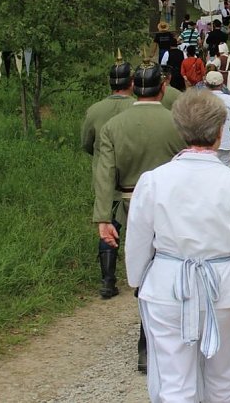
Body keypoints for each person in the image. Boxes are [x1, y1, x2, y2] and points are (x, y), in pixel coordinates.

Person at [125, 89, 230, 402]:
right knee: (223, 380)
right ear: (221, 132)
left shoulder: (154, 180)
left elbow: (137, 239)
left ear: (180, 131)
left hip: (168, 287)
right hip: (225, 292)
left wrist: (138, 281)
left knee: (175, 383)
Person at [93, 57, 187, 372]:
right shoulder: (178, 123)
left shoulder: (112, 127)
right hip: (172, 207)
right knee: (172, 268)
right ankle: (162, 338)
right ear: (162, 87)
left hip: (131, 207)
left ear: (134, 88)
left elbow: (104, 175)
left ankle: (146, 342)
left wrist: (103, 218)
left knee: (142, 271)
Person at [80, 51, 134, 299]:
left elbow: (86, 144)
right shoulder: (138, 107)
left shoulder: (95, 110)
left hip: (106, 178)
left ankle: (108, 281)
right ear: (131, 82)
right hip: (134, 177)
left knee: (108, 225)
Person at [206, 70, 230, 167]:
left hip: (207, 144)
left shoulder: (200, 100)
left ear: (206, 84)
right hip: (228, 144)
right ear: (222, 84)